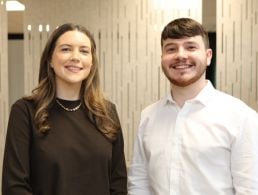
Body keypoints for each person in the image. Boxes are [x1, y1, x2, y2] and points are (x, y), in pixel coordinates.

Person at [128, 17, 258, 195]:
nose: (181, 55)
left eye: (191, 47)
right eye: (171, 48)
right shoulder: (148, 116)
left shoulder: (241, 116)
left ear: (208, 56)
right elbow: (139, 184)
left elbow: (250, 189)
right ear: (162, 59)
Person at [2, 23, 127, 195]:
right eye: (66, 49)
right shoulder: (25, 111)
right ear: (50, 60)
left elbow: (118, 183)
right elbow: (14, 186)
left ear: (91, 63)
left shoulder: (108, 113)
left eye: (84, 51)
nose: (76, 57)